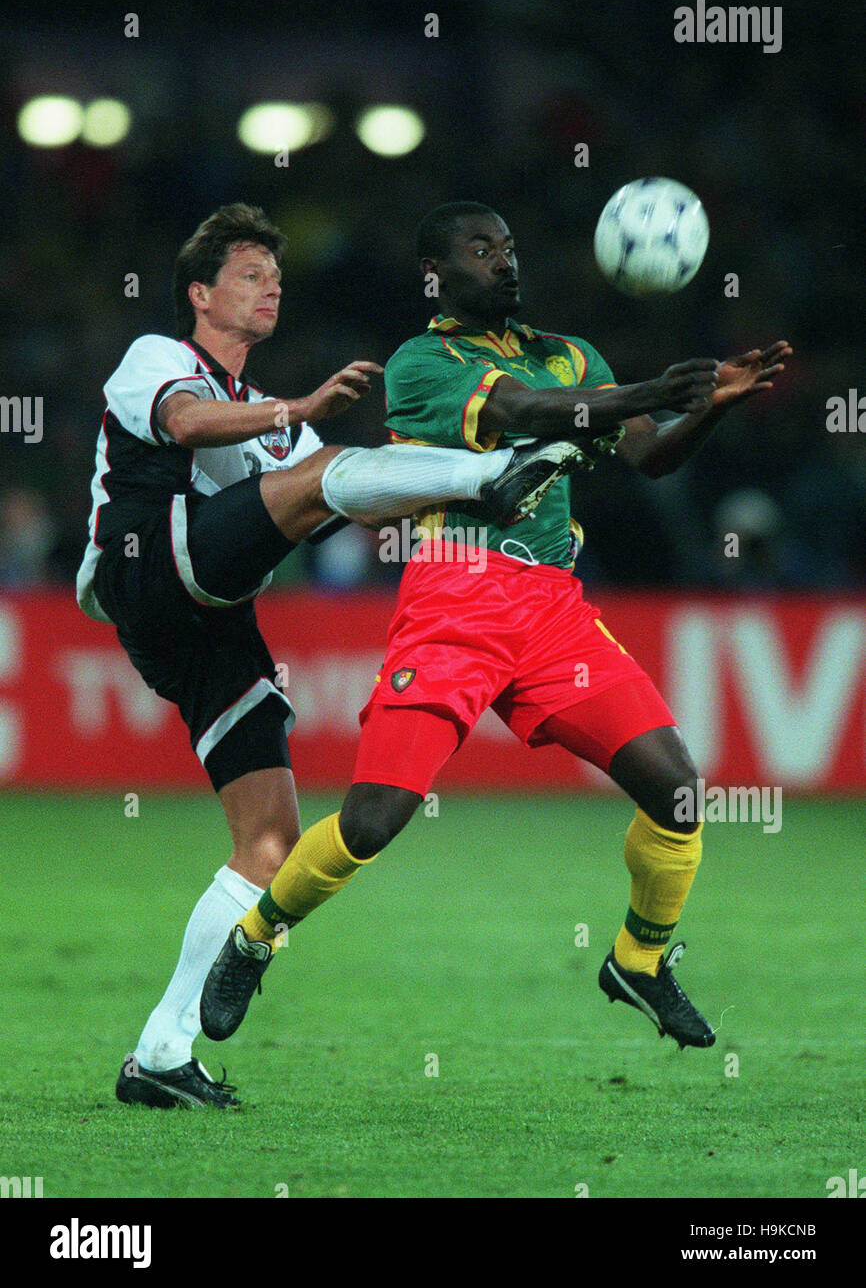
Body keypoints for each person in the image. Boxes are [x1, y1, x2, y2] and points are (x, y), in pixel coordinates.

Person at [200, 200, 790, 1056]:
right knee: (373, 820)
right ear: (437, 274)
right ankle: (256, 935)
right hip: (455, 600)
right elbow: (522, 414)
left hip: (554, 609)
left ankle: (639, 960)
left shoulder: (571, 354)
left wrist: (711, 405)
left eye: (510, 246)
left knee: (678, 790)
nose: (504, 261)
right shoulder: (421, 363)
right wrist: (648, 389)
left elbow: (648, 452)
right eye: (482, 249)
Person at [76, 201, 585, 1109]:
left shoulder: (283, 433)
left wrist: (444, 506)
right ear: (199, 293)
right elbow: (187, 426)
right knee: (320, 468)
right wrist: (315, 416)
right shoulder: (157, 359)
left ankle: (159, 1054)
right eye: (248, 275)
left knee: (270, 840)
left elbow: (352, 491)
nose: (270, 288)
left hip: (207, 624)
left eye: (276, 276)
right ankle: (491, 472)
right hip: (146, 564)